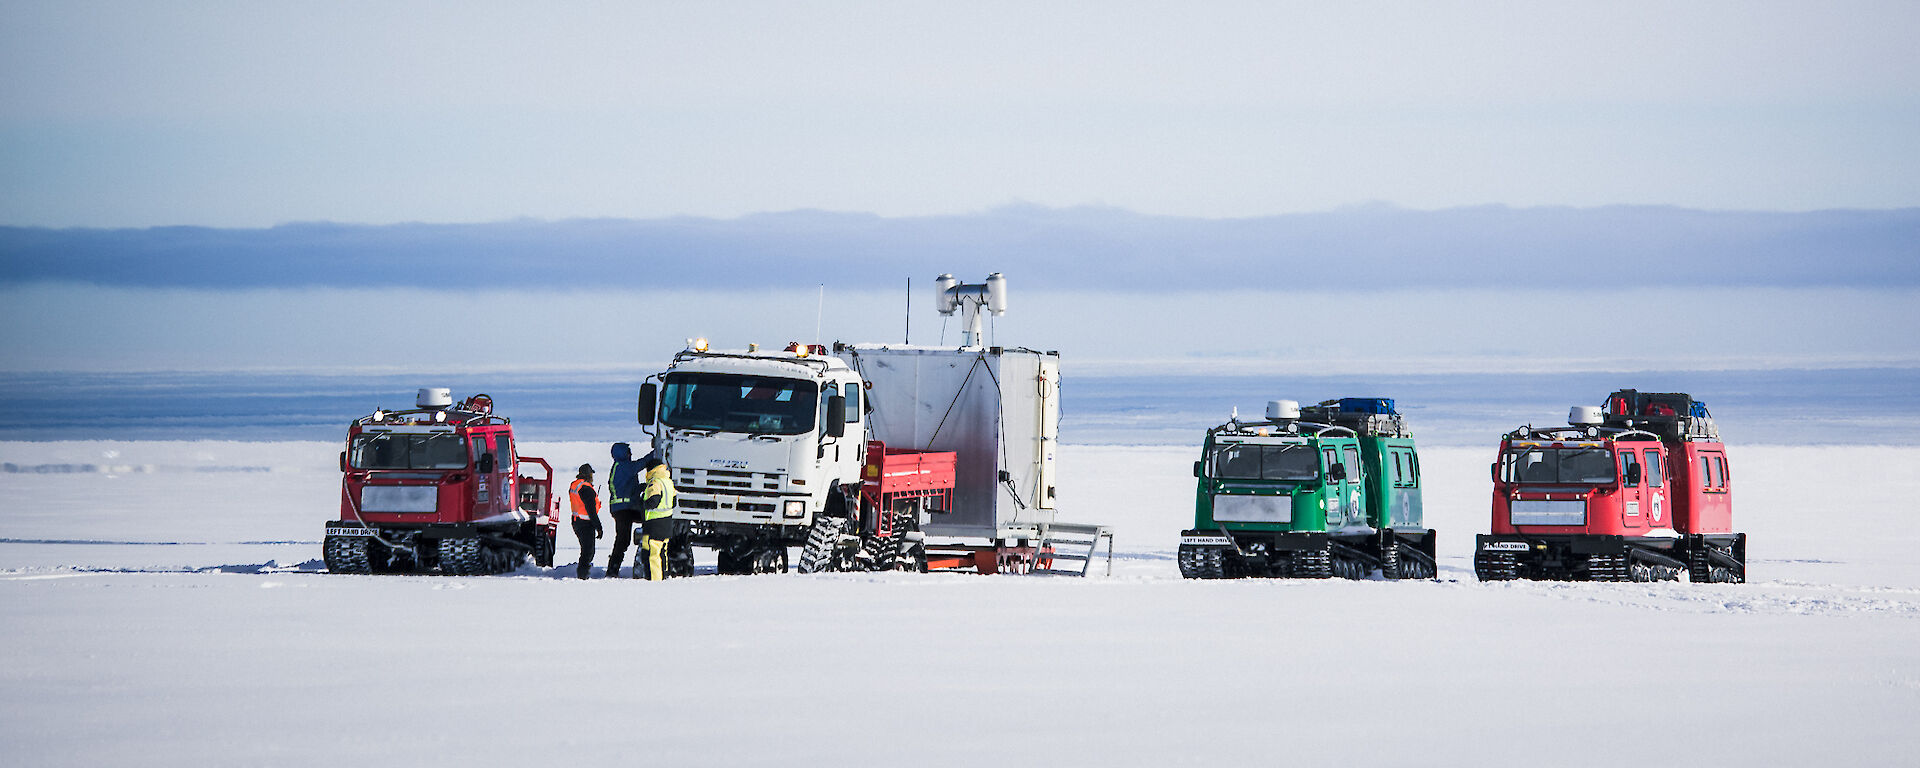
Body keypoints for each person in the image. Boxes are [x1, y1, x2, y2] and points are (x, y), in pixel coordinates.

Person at [604, 442, 644, 578]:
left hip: (624, 508)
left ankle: (613, 568)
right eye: (628, 451)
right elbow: (640, 464)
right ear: (622, 453)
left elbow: (629, 489)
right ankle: (612, 570)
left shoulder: (619, 467)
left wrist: (643, 486)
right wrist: (655, 454)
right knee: (622, 540)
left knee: (623, 539)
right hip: (624, 509)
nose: (630, 454)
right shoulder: (624, 466)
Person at [636, 452, 677, 581]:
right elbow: (674, 502)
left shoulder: (655, 483)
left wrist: (642, 502)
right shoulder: (669, 482)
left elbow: (653, 502)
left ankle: (655, 582)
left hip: (654, 524)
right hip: (667, 523)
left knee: (652, 555)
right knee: (662, 553)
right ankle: (663, 576)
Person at [568, 464, 603, 580]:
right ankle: (582, 576)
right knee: (588, 552)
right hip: (585, 523)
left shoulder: (575, 485)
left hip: (576, 521)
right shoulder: (586, 488)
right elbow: (591, 511)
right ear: (588, 475)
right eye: (591, 474)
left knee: (586, 550)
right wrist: (599, 527)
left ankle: (583, 574)